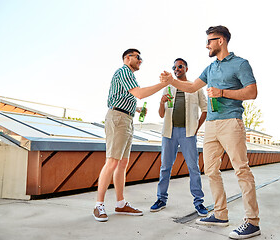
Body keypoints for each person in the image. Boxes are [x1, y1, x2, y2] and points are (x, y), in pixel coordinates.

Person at [160, 26, 261, 239]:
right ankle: (220, 214)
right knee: (211, 171)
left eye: (210, 40)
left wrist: (222, 92)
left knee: (241, 170)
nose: (207, 45)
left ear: (221, 41)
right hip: (212, 126)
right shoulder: (210, 67)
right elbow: (191, 87)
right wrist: (171, 81)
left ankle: (252, 222)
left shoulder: (240, 64)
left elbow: (252, 92)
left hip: (231, 122)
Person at [93, 48, 170, 222]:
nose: (140, 60)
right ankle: (98, 205)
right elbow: (140, 93)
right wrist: (164, 84)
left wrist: (136, 108)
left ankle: (120, 204)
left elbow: (120, 97)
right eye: (138, 57)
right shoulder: (124, 71)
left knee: (122, 163)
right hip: (118, 119)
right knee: (112, 161)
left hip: (126, 119)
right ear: (127, 58)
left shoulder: (128, 76)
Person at [150, 58, 208, 216]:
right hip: (169, 133)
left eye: (180, 66)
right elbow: (161, 114)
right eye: (174, 67)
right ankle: (161, 199)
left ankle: (199, 202)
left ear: (186, 68)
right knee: (165, 168)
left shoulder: (195, 88)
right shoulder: (168, 87)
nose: (177, 69)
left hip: (188, 133)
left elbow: (205, 109)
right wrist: (161, 103)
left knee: (193, 168)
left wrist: (196, 127)